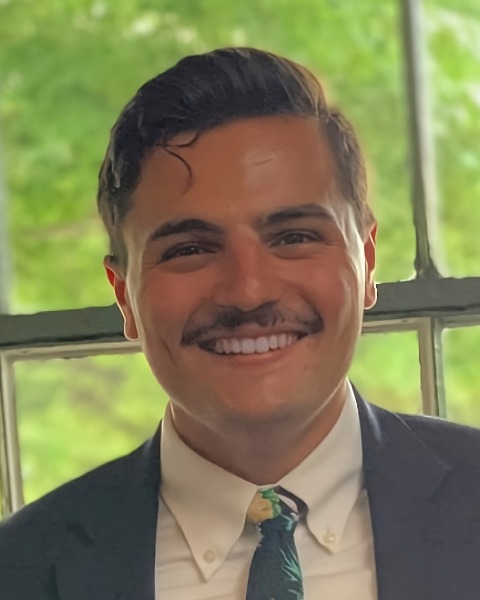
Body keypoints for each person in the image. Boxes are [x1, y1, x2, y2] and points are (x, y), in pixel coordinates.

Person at [1, 47, 480, 600]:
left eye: (294, 237)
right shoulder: (18, 570)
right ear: (123, 295)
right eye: (190, 249)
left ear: (367, 261)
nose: (249, 291)